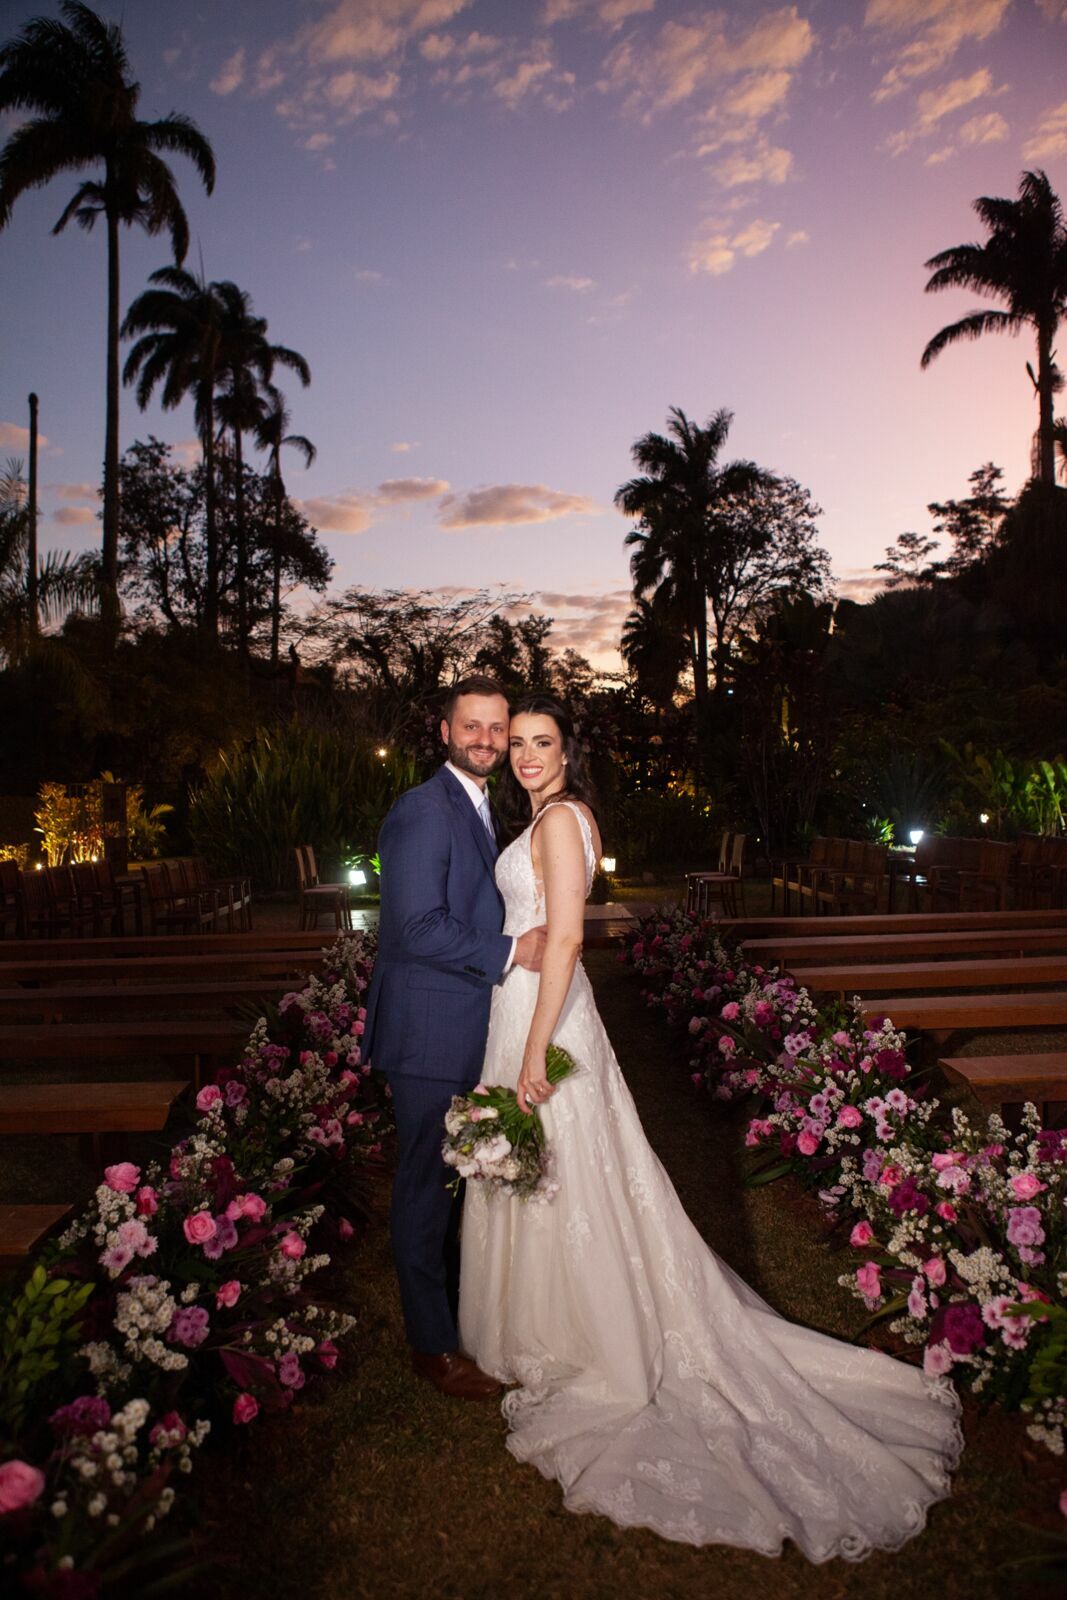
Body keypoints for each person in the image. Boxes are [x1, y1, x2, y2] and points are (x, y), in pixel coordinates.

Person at [459, 693, 962, 1561]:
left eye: (543, 742)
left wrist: (536, 1050)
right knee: (565, 1171)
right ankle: (551, 1317)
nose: (527, 754)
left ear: (568, 754)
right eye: (520, 744)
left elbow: (571, 941)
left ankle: (586, 1335)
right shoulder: (555, 818)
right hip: (530, 1009)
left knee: (562, 1165)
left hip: (544, 1019)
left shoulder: (556, 823)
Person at [363, 676, 546, 1401]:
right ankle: (431, 1347)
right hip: (427, 1032)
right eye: (471, 727)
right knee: (423, 1185)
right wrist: (510, 951)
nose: (485, 741)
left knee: (450, 1178)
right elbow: (413, 926)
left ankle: (454, 1317)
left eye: (496, 730)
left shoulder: (474, 807)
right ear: (445, 731)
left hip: (460, 1024)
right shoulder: (422, 809)